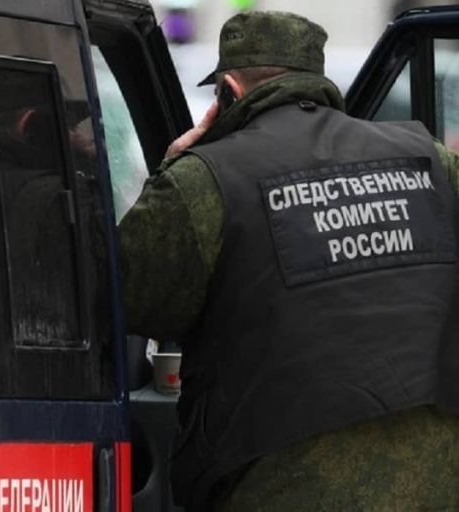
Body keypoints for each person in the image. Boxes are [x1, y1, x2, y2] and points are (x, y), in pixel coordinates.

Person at [119, 11, 459, 511]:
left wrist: (171, 167)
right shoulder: (429, 159)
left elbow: (130, 299)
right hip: (439, 477)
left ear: (229, 91)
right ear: (316, 79)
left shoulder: (205, 178)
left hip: (286, 481)